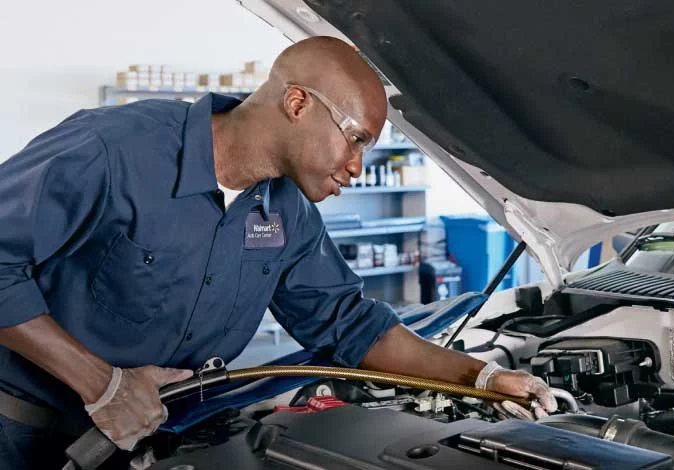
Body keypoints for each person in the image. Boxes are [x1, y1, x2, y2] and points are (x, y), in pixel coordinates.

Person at [0, 36, 556, 469]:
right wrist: (103, 384)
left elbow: (351, 325)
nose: (358, 167)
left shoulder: (284, 212)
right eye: (356, 138)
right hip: (23, 434)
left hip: (152, 439)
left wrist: (479, 377)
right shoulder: (115, 151)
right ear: (296, 103)